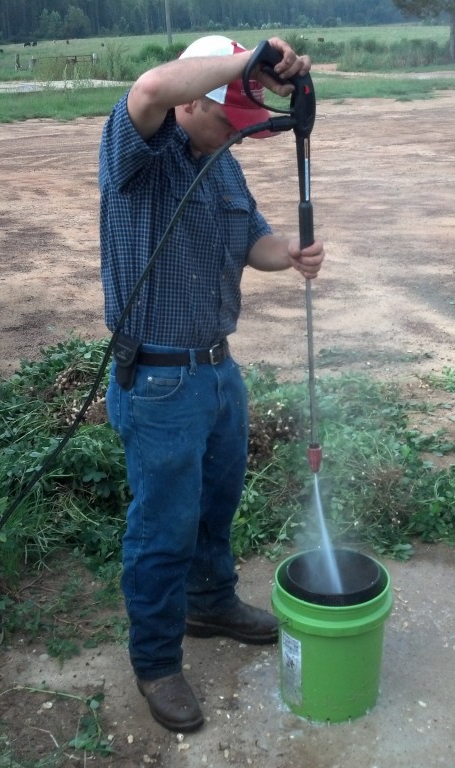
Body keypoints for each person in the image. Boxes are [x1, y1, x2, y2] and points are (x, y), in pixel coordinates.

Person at [97, 35, 324, 733]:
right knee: (162, 528)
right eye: (230, 120)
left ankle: (210, 600)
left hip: (219, 373)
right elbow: (147, 90)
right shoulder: (138, 155)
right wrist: (248, 60)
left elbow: (248, 239)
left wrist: (286, 253)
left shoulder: (225, 167)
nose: (240, 137)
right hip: (159, 381)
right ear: (193, 102)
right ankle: (158, 661)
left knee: (215, 506)